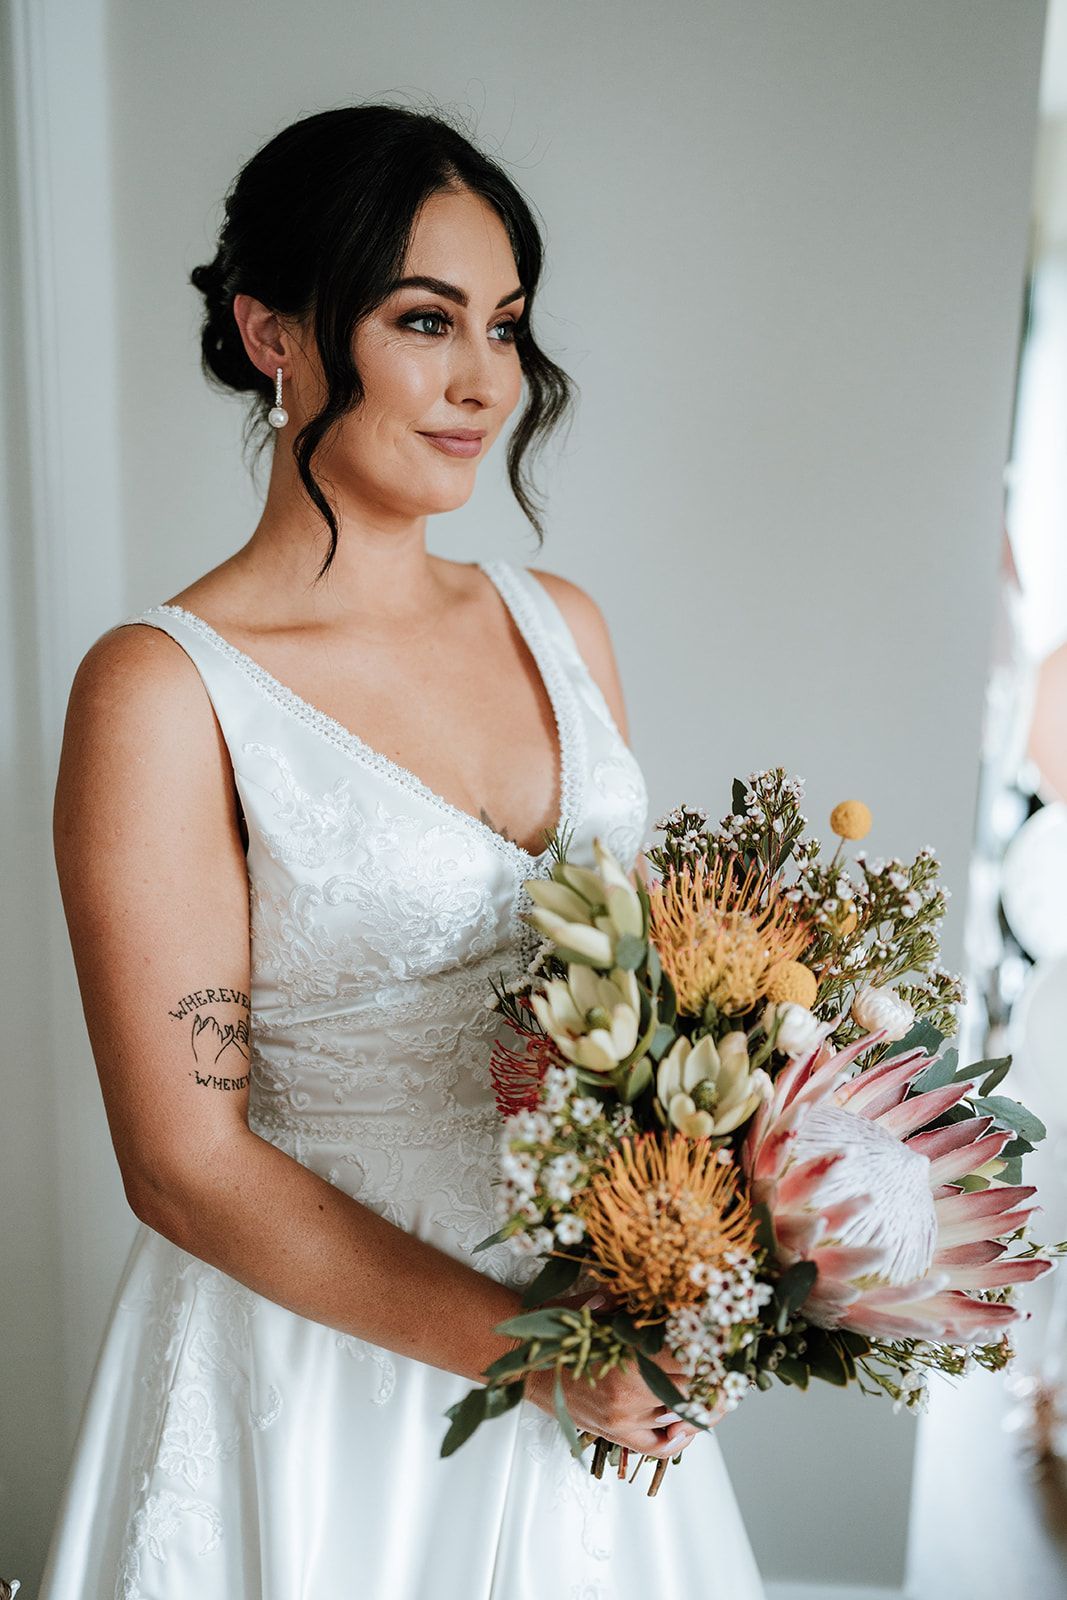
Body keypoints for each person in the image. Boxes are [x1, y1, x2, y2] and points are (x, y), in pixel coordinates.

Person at [39, 103, 766, 1598]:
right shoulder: (163, 690)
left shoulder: (562, 625)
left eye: (505, 325)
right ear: (271, 332)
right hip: (310, 1392)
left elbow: (652, 1015)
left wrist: (717, 1224)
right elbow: (181, 1167)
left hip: (602, 1344)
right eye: (424, 319)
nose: (484, 380)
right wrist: (541, 1361)